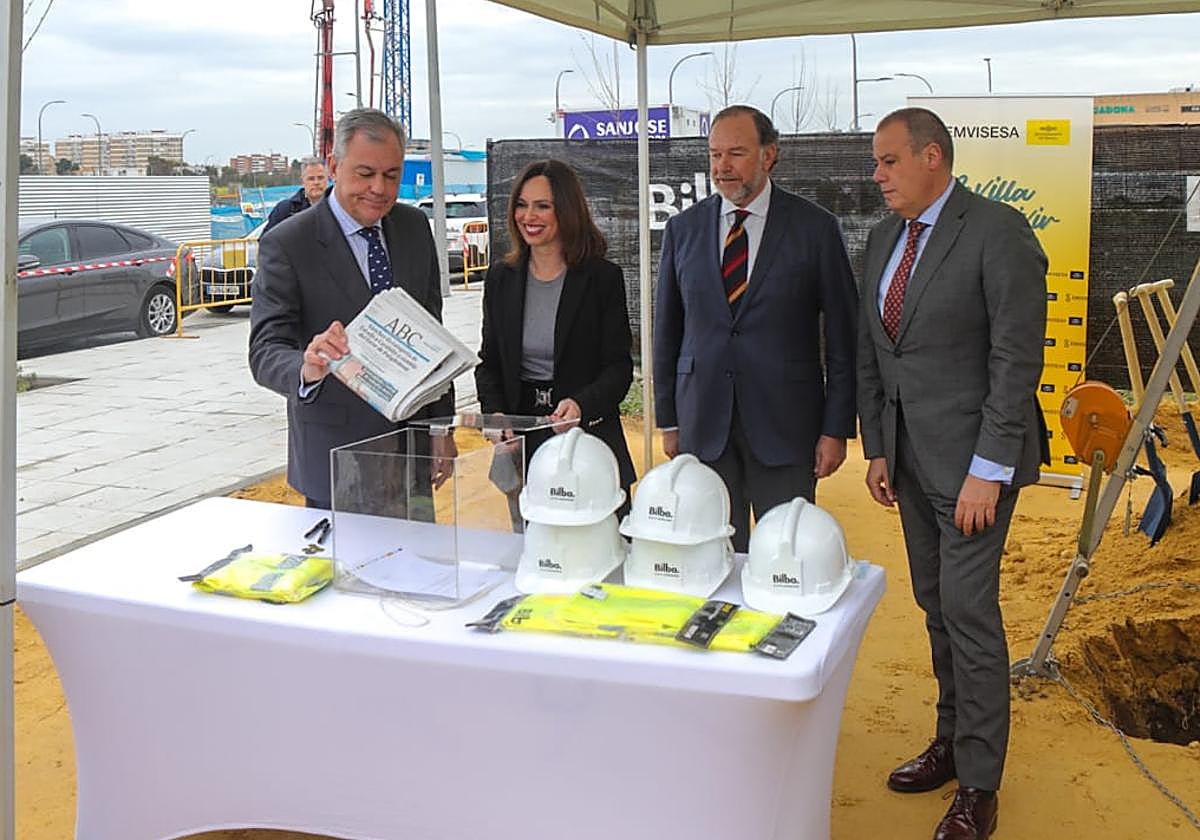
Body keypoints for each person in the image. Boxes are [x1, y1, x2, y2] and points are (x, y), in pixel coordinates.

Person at [858, 107, 1048, 840]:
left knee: (970, 615)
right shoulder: (881, 241)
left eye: (888, 161)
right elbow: (877, 353)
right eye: (876, 163)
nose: (877, 177)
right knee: (937, 607)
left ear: (932, 156)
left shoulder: (997, 232)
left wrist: (988, 470)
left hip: (975, 472)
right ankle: (949, 739)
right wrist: (878, 446)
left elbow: (1015, 361)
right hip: (908, 464)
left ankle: (980, 786)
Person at [653, 104, 857, 553]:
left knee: (784, 553)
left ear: (769, 156)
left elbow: (844, 338)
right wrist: (668, 418)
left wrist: (836, 428)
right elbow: (667, 331)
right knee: (710, 554)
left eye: (736, 154)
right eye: (714, 155)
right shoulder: (682, 230)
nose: (722, 166)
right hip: (703, 425)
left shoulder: (816, 228)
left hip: (787, 430)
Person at [249, 108, 452, 510]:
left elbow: (433, 338)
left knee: (419, 570)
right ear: (335, 166)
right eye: (365, 174)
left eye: (391, 175)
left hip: (411, 456)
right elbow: (265, 351)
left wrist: (439, 427)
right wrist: (306, 367)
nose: (380, 188)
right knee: (345, 573)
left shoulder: (413, 228)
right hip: (336, 459)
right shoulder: (289, 243)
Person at [474, 159, 636, 518]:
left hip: (589, 444)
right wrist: (496, 413)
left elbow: (618, 368)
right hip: (523, 446)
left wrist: (581, 405)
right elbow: (489, 363)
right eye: (521, 204)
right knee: (536, 554)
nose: (528, 215)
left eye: (542, 205)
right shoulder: (501, 278)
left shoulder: (602, 278)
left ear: (566, 209)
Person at [262, 156, 328, 235]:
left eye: (320, 178)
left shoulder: (338, 208)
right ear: (302, 181)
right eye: (311, 179)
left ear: (327, 179)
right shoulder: (286, 210)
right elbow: (266, 242)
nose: (316, 182)